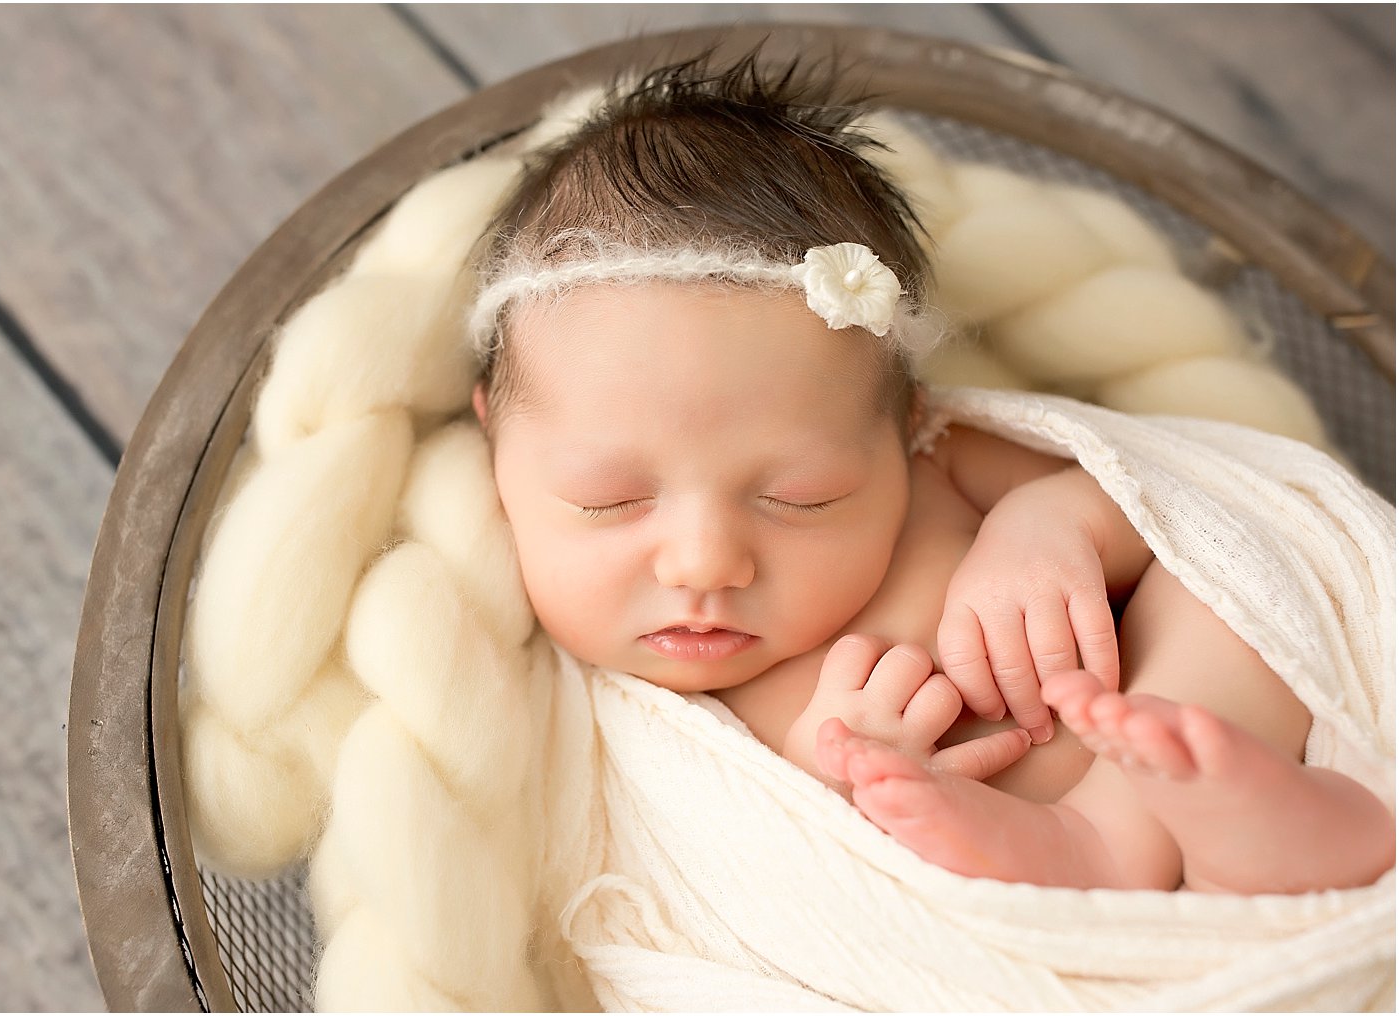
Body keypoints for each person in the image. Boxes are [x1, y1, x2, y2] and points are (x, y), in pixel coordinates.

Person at [464, 47, 1394, 893]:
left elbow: (1168, 495)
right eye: (608, 500)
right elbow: (695, 895)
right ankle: (1241, 868)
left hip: (1171, 766)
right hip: (978, 924)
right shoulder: (570, 708)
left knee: (1225, 587)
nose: (704, 563)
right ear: (496, 446)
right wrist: (833, 784)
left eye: (801, 497)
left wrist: (1049, 524)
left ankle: (1249, 829)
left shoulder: (942, 465)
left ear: (905, 427)